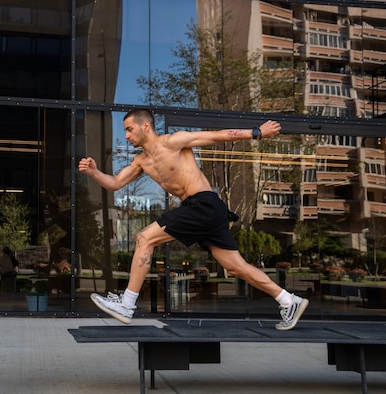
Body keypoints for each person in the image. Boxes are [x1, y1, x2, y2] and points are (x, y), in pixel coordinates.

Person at [78, 109, 308, 330]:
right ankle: (288, 300)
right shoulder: (141, 161)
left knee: (144, 238)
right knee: (236, 267)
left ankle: (126, 304)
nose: (126, 135)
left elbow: (217, 136)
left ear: (145, 126)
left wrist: (257, 133)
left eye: (129, 129)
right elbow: (116, 183)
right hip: (201, 210)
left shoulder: (173, 141)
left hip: (204, 204)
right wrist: (94, 173)